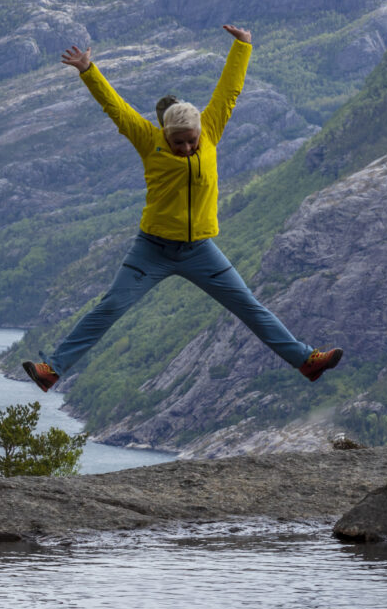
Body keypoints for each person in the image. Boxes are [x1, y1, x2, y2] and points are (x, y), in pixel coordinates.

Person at [21, 25, 342, 392]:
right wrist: (88, 71)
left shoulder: (210, 131)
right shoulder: (148, 140)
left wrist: (242, 47)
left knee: (250, 307)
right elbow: (117, 108)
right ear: (165, 133)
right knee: (110, 306)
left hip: (200, 249)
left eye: (191, 142)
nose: (187, 148)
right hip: (152, 249)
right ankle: (52, 370)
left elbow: (229, 92)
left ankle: (306, 361)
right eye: (179, 143)